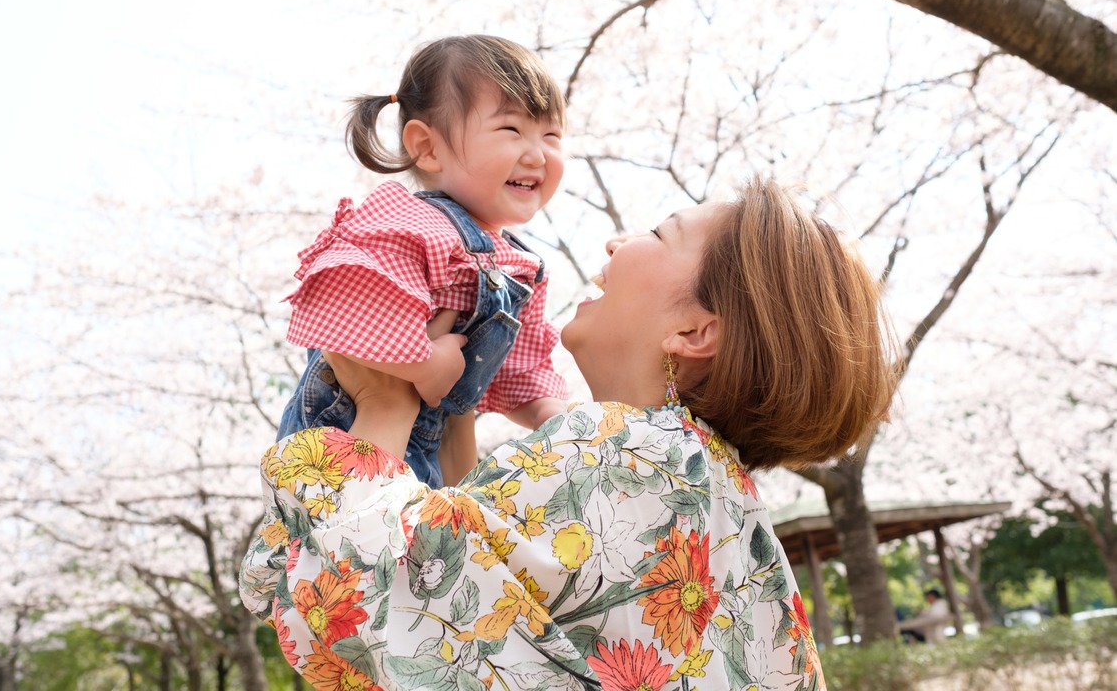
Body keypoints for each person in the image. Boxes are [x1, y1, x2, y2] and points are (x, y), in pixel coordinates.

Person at [240, 176, 898, 690]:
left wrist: (381, 407)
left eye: (660, 234)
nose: (616, 243)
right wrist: (457, 404)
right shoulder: (705, 490)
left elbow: (369, 608)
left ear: (695, 331)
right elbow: (505, 606)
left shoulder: (621, 448)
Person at [277, 35, 569, 487]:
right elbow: (348, 310)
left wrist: (553, 415)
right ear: (427, 148)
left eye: (552, 135)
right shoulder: (413, 222)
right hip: (339, 435)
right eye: (511, 130)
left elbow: (520, 370)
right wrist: (424, 365)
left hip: (422, 460)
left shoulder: (522, 268)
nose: (537, 154)